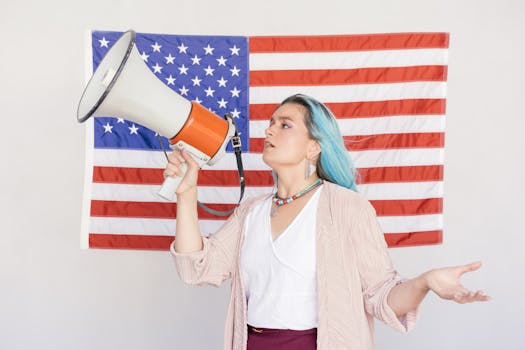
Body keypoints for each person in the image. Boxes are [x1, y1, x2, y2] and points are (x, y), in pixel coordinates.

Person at [164, 94, 490, 350]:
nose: (269, 130)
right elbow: (198, 268)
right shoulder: (250, 211)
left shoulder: (348, 207)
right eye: (271, 122)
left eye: (285, 124)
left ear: (314, 147)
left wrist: (425, 282)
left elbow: (380, 295)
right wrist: (187, 193)